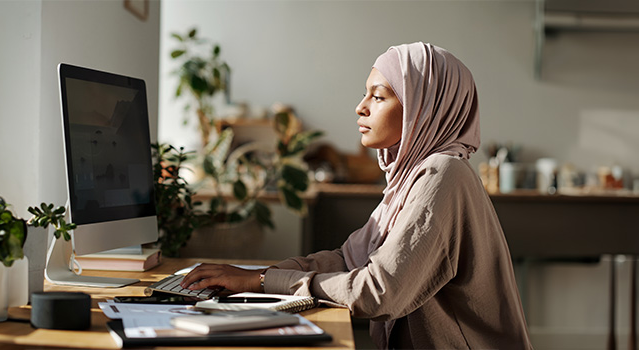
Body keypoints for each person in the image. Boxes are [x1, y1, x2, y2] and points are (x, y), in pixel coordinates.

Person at [180, 42, 532, 349]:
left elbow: (378, 293)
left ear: (423, 109)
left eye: (378, 96)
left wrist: (258, 280)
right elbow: (348, 260)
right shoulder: (409, 178)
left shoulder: (443, 174)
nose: (360, 107)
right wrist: (252, 276)